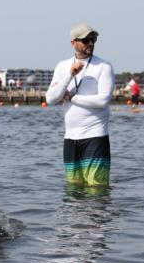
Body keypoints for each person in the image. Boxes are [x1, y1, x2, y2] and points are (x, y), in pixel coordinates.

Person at [45, 23, 115, 187]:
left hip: (95, 136)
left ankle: (97, 214)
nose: (91, 43)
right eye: (86, 40)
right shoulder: (63, 66)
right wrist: (70, 75)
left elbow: (103, 100)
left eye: (93, 39)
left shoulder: (104, 66)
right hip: (70, 138)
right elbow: (51, 99)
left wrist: (73, 98)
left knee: (96, 190)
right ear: (73, 43)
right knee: (73, 190)